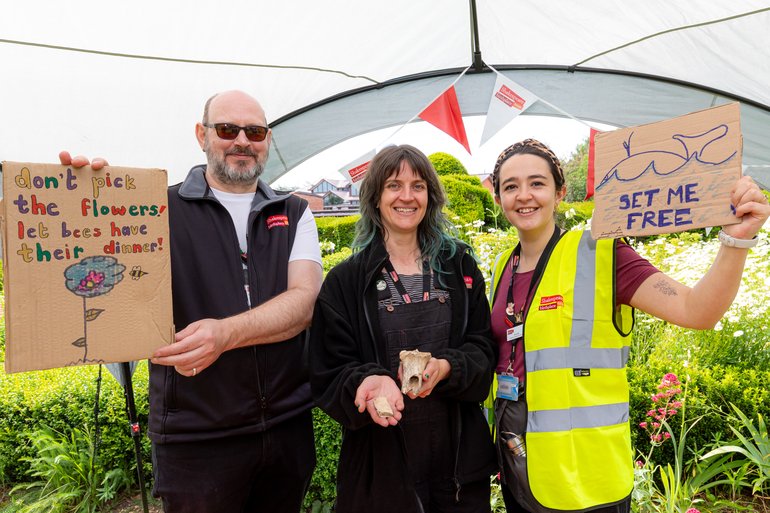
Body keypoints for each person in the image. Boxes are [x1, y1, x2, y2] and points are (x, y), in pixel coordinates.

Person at [60, 89, 323, 513]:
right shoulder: (155, 209)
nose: (242, 140)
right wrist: (87, 201)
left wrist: (226, 333)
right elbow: (98, 280)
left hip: (286, 428)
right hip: (197, 439)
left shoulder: (294, 212)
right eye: (227, 129)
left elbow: (305, 301)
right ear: (201, 135)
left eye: (254, 131)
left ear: (268, 140)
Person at [487, 138, 770, 513]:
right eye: (511, 186)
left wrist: (736, 241)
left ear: (560, 192)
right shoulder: (501, 265)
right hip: (519, 466)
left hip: (588, 479)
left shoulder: (601, 252)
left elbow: (696, 310)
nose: (524, 195)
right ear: (498, 198)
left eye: (537, 183)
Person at [309, 144, 497, 513]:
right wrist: (368, 382)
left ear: (431, 195)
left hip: (457, 465)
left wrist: (448, 368)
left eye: (418, 185)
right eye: (394, 185)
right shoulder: (346, 281)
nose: (407, 196)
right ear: (375, 197)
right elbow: (328, 369)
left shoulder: (459, 267)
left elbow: (483, 348)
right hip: (381, 469)